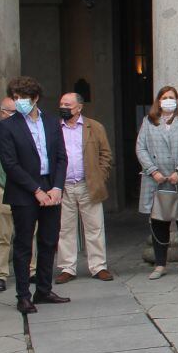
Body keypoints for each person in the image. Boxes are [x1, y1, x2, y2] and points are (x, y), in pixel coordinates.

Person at [0, 76, 68, 314]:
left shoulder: (51, 122)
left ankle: (44, 289)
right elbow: (10, 163)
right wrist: (35, 190)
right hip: (24, 189)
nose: (19, 102)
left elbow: (61, 157)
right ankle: (23, 295)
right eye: (16, 98)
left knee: (49, 240)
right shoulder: (7, 126)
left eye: (23, 98)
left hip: (50, 185)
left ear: (35, 98)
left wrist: (57, 187)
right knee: (24, 243)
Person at [137, 86, 178, 280]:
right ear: (158, 101)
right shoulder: (148, 122)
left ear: (177, 100)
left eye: (171, 97)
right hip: (156, 179)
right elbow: (141, 148)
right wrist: (153, 171)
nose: (168, 100)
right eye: (164, 97)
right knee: (159, 221)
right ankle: (160, 264)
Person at [54, 92, 114, 283]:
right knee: (65, 229)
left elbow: (105, 154)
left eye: (68, 105)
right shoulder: (54, 128)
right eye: (62, 104)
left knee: (94, 227)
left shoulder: (94, 127)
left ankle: (98, 266)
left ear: (79, 107)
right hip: (64, 186)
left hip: (88, 185)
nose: (63, 107)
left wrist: (100, 176)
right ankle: (67, 268)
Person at [0, 97, 32, 293]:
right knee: (2, 235)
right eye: (10, 112)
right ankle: (0, 274)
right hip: (2, 189)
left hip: (26, 190)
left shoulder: (27, 131)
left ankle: (31, 270)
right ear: (2, 113)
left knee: (30, 233)